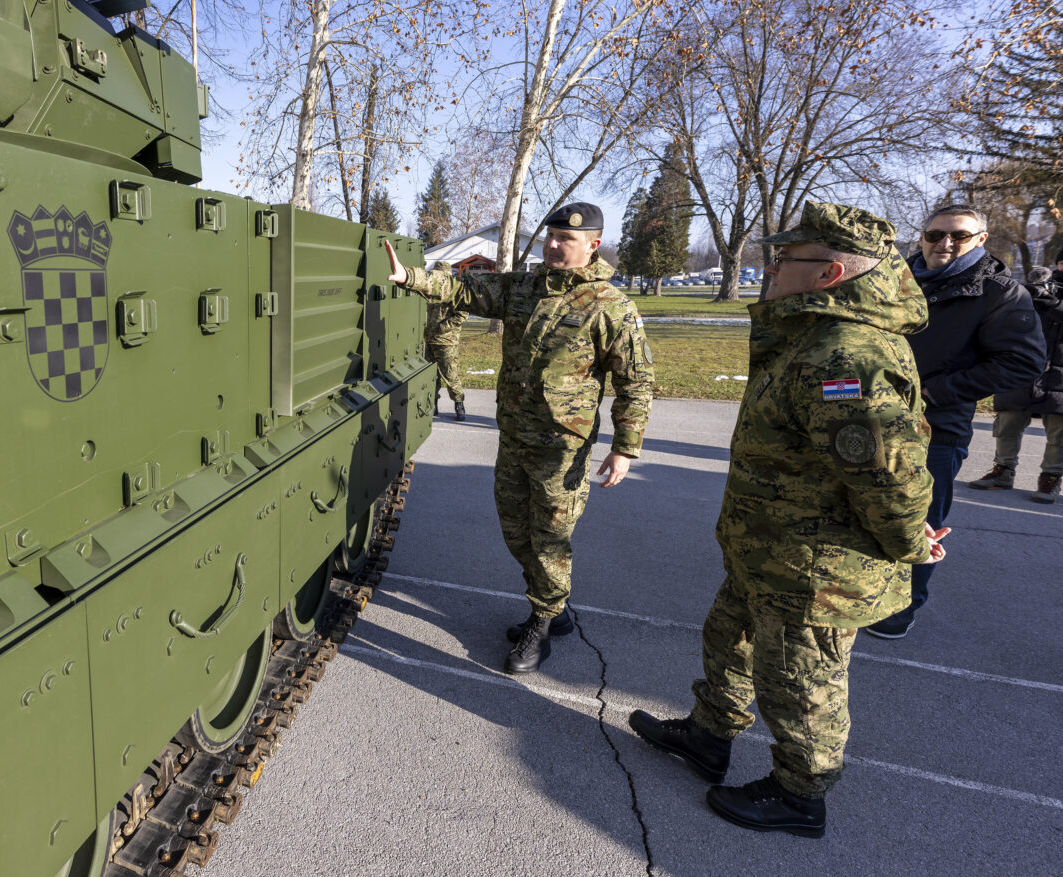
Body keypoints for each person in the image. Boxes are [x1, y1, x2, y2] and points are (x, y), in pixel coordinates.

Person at [627, 200, 946, 838]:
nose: (772, 265)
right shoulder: (812, 336)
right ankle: (708, 735)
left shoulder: (845, 355)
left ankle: (801, 794)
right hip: (770, 550)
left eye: (788, 256)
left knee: (802, 681)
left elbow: (886, 472)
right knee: (729, 639)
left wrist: (911, 541)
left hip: (815, 567)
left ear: (829, 274)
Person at [384, 203, 654, 674]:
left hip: (562, 447)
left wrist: (625, 448)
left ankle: (544, 621)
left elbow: (636, 381)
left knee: (550, 538)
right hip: (514, 437)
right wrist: (410, 277)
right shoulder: (522, 288)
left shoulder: (611, 306)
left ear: (593, 245)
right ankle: (554, 605)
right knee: (515, 530)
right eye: (550, 236)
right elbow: (463, 289)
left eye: (565, 240)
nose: (553, 245)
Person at [866, 205, 1044, 639]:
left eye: (959, 236)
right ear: (921, 237)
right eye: (934, 234)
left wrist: (934, 392)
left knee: (918, 519)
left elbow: (1024, 362)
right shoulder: (894, 278)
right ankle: (862, 593)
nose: (945, 243)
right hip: (870, 420)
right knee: (866, 507)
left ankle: (901, 608)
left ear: (981, 239)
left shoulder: (1000, 292)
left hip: (935, 428)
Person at [967, 248, 1063, 504]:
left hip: (1060, 373)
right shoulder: (1042, 287)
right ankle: (1003, 471)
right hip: (1024, 368)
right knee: (1008, 422)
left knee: (1059, 431)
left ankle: (1051, 478)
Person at [425, 295, 471, 421]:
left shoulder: (455, 291)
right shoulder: (431, 291)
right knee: (431, 375)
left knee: (450, 374)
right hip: (429, 340)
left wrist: (442, 327)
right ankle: (433, 405)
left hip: (446, 341)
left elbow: (462, 315)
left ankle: (459, 405)